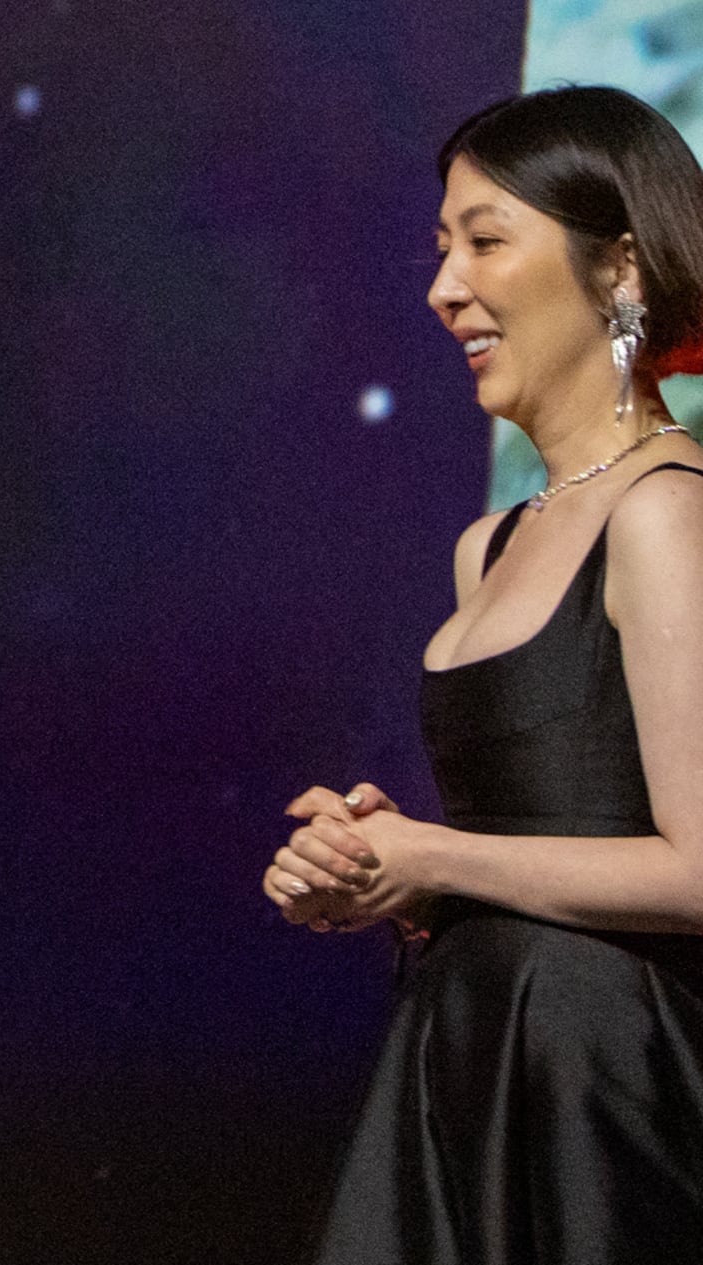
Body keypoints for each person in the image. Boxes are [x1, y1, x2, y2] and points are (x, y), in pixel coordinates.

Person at [271, 85, 703, 1261]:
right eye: (442, 246)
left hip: (602, 1082)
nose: (444, 285)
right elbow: (540, 839)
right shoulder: (491, 544)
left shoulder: (667, 513)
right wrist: (388, 876)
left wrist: (438, 854)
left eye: (486, 240)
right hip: (470, 1052)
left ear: (618, 267)